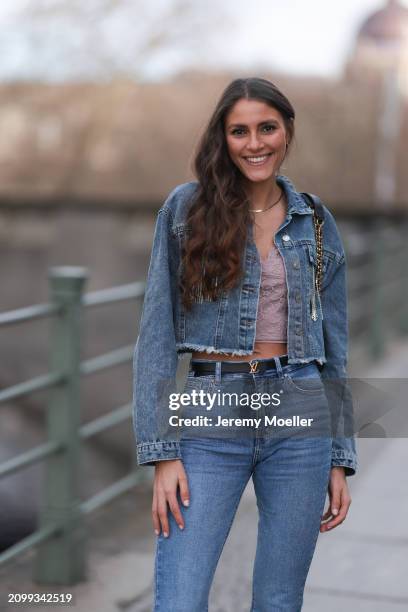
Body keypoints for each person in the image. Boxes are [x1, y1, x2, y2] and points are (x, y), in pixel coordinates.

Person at [132, 77, 358, 611]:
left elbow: (336, 345)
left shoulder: (315, 221)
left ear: (287, 132)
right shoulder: (186, 209)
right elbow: (156, 334)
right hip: (211, 413)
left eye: (266, 128)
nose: (254, 143)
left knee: (279, 600)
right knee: (180, 598)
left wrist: (340, 457)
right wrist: (162, 454)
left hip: (299, 413)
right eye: (239, 131)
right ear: (223, 138)